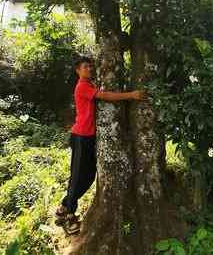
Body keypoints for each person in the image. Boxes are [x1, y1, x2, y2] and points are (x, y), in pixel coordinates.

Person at [55, 56, 148, 234]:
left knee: (89, 176)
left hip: (89, 137)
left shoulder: (89, 85)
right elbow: (105, 96)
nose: (89, 69)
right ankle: (68, 217)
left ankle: (64, 206)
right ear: (78, 70)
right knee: (77, 176)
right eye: (85, 67)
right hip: (81, 136)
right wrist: (132, 95)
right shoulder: (82, 86)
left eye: (90, 66)